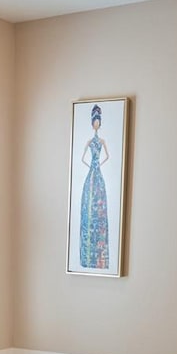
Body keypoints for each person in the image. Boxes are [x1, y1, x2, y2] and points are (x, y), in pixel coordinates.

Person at [79, 103, 109, 268]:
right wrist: (92, 166)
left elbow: (108, 156)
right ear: (92, 123)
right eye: (94, 121)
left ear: (99, 122)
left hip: (96, 174)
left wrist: (98, 165)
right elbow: (83, 158)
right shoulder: (90, 142)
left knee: (98, 208)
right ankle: (87, 257)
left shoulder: (101, 141)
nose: (96, 123)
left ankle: (99, 258)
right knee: (88, 209)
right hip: (92, 174)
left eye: (98, 120)